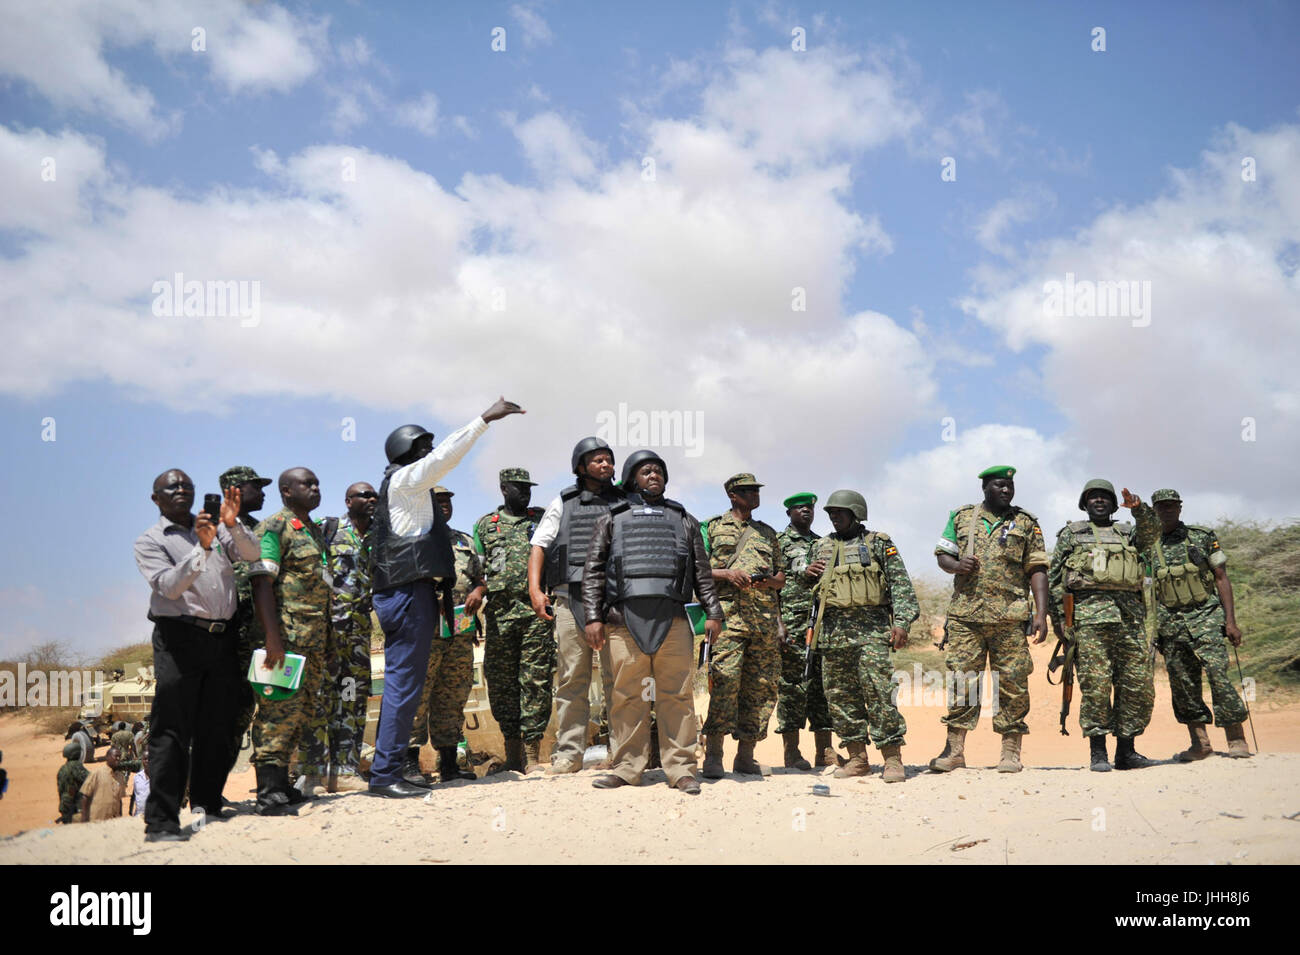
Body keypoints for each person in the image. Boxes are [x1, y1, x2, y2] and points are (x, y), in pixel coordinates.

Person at [368, 398, 524, 798]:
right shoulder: (405, 481)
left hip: (416, 594)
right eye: (424, 449)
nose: (431, 456)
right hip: (405, 594)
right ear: (409, 455)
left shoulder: (413, 493)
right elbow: (446, 458)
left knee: (407, 686)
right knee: (403, 687)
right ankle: (386, 775)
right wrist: (484, 419)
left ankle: (390, 771)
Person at [581, 450, 724, 794]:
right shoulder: (611, 518)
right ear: (631, 477)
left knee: (676, 696)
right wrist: (592, 617)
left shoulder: (684, 519)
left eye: (659, 471)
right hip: (622, 621)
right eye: (646, 471)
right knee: (627, 696)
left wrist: (714, 611)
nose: (654, 475)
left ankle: (681, 768)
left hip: (673, 620)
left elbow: (702, 573)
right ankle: (628, 768)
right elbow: (593, 572)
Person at [134, 469, 258, 841]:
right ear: (156, 498)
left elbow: (251, 554)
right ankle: (161, 821)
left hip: (222, 638)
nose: (181, 490)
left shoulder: (218, 526)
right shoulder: (150, 541)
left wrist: (232, 525)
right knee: (172, 730)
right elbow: (170, 588)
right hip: (180, 639)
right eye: (172, 487)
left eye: (187, 485)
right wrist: (201, 548)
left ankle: (207, 805)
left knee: (217, 725)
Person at [930, 466, 1050, 774]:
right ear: (986, 488)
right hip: (966, 616)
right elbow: (942, 556)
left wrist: (1040, 613)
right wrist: (957, 566)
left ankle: (1010, 752)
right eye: (1000, 485)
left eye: (1010, 485)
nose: (1006, 490)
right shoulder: (961, 517)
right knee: (962, 682)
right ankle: (954, 750)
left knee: (1012, 683)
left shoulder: (1026, 523)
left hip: (1009, 618)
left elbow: (1037, 569)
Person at [805, 490, 918, 782]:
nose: (834, 517)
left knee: (880, 694)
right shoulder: (820, 546)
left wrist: (902, 622)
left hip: (872, 632)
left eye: (839, 512)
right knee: (841, 698)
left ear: (856, 512)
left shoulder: (879, 543)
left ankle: (893, 759)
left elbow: (900, 584)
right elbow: (810, 592)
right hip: (833, 636)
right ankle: (857, 758)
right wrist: (808, 574)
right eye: (830, 513)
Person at [1049, 480, 1159, 771]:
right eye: (1093, 497)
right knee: (1096, 687)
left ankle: (1127, 751)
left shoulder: (1128, 533)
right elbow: (1055, 579)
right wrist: (1059, 620)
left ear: (1113, 503)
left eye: (1104, 498)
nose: (1099, 501)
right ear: (1084, 504)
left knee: (1135, 685)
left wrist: (1140, 510)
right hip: (1089, 620)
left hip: (1130, 620)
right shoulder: (1071, 535)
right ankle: (1098, 752)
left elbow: (1151, 536)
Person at [528, 437, 623, 775]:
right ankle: (569, 754)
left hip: (613, 600)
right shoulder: (564, 501)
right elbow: (539, 544)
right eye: (598, 460)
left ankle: (621, 752)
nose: (606, 465)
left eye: (610, 459)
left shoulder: (625, 501)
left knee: (620, 680)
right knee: (572, 680)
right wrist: (536, 590)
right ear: (581, 467)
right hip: (570, 600)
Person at [1143, 489, 1252, 760]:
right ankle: (1200, 743)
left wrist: (1231, 621)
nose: (1167, 511)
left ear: (1180, 508)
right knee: (1183, 683)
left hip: (1206, 615)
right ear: (1154, 511)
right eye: (1161, 507)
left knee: (1218, 674)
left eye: (1172, 506)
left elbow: (1221, 577)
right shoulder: (1148, 545)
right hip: (1171, 622)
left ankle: (1236, 738)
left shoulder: (1202, 537)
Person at [248, 468, 332, 813]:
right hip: (285, 640)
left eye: (317, 483)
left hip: (312, 641)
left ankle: (281, 785)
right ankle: (268, 794)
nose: (315, 488)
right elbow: (261, 583)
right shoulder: (274, 527)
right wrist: (272, 639)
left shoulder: (312, 529)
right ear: (286, 491)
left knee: (300, 713)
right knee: (277, 711)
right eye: (307, 484)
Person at [700, 473, 786, 778]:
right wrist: (727, 574)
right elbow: (697, 571)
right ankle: (714, 755)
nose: (755, 495)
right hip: (727, 619)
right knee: (725, 684)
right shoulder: (712, 527)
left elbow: (781, 579)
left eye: (756, 491)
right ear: (732, 495)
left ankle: (746, 755)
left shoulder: (767, 533)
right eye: (748, 491)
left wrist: (767, 581)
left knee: (761, 688)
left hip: (762, 621)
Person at [297, 482, 377, 794]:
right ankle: (314, 773)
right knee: (319, 699)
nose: (371, 499)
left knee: (351, 702)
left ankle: (345, 771)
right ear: (348, 501)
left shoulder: (378, 537)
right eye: (364, 495)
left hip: (357, 636)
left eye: (374, 495)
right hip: (326, 633)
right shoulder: (328, 529)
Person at [474, 467, 553, 774]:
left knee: (536, 681)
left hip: (536, 614)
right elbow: (476, 569)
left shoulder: (541, 520)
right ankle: (513, 755)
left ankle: (533, 757)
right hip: (500, 615)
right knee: (502, 683)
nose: (526, 492)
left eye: (528, 487)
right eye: (519, 488)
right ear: (504, 489)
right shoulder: (485, 527)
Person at [408, 485, 484, 784]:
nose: (445, 507)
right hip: (425, 632)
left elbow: (479, 579)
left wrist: (478, 592)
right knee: (418, 696)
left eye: (448, 502)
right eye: (438, 503)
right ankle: (410, 765)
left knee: (453, 694)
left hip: (460, 631)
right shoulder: (415, 540)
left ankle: (450, 763)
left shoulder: (463, 540)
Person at [774, 492, 835, 770]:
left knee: (821, 687)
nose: (806, 512)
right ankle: (792, 752)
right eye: (800, 508)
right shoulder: (777, 542)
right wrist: (778, 623)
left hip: (820, 622)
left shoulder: (823, 542)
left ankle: (825, 751)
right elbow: (772, 587)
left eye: (810, 508)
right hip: (792, 623)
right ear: (789, 513)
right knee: (792, 688)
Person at [218, 464, 272, 771]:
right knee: (222, 715)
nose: (263, 492)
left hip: (256, 639)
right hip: (226, 640)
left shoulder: (260, 529)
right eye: (256, 486)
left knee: (244, 713)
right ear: (235, 491)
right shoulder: (211, 528)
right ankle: (200, 791)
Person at [79, 746, 127, 823]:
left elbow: (119, 800)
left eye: (119, 757)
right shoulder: (96, 773)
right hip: (98, 819)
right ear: (107, 757)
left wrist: (120, 817)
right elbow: (85, 796)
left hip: (114, 821)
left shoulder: (120, 776)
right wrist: (84, 818)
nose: (118, 758)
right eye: (115, 756)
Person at [56, 741, 88, 824]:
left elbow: (61, 788)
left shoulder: (62, 769)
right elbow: (89, 779)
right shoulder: (76, 766)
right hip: (75, 804)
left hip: (64, 803)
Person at [130, 752, 151, 818]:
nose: (147, 761)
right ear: (142, 761)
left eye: (149, 759)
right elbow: (135, 794)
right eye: (145, 759)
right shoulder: (137, 777)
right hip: (139, 815)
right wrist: (130, 809)